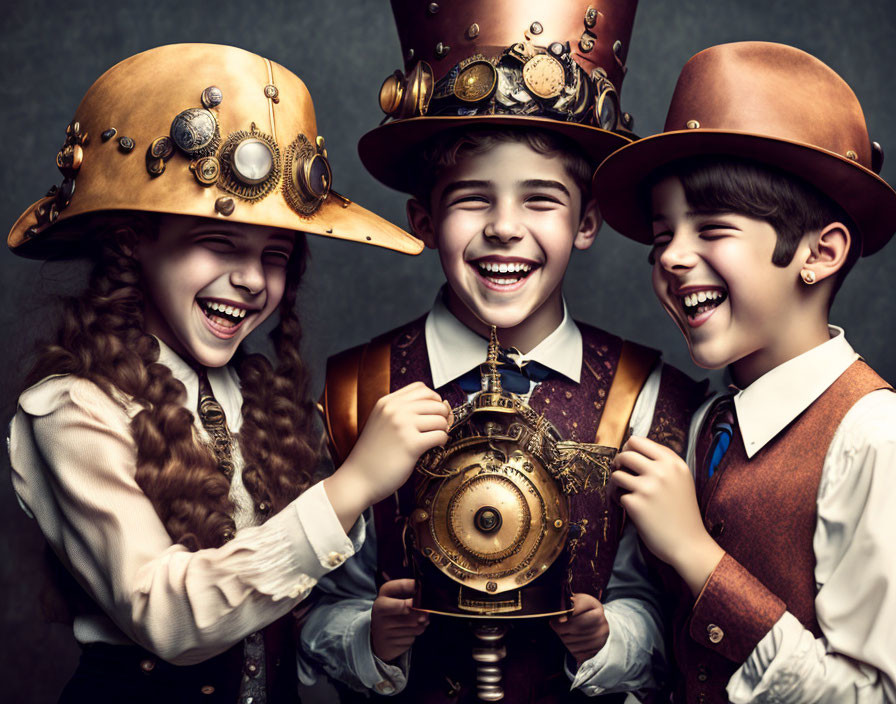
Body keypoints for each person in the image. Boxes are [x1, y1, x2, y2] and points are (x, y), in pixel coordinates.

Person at [7, 43, 452, 703]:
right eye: (218, 242)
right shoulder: (73, 410)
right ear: (133, 243)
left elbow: (282, 609)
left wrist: (371, 636)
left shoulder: (256, 398)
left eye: (276, 254)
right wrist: (351, 486)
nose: (249, 280)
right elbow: (168, 615)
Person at [300, 2, 707, 701]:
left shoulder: (648, 399)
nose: (504, 229)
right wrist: (367, 636)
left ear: (587, 223)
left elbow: (660, 603)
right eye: (472, 200)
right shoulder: (355, 390)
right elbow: (315, 609)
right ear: (424, 219)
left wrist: (613, 638)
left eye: (542, 200)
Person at [592, 41, 896, 703]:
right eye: (660, 234)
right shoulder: (704, 423)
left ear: (821, 252)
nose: (672, 256)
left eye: (712, 228)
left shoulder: (874, 437)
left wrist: (698, 557)